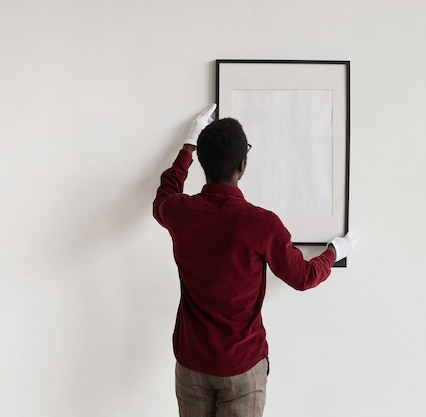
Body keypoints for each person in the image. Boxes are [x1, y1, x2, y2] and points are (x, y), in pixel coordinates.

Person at [152, 104, 357, 417]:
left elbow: (164, 195)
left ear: (203, 163)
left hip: (191, 363)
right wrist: (334, 251)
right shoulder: (262, 224)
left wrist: (188, 145)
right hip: (241, 368)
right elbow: (302, 277)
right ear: (243, 165)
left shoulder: (180, 212)